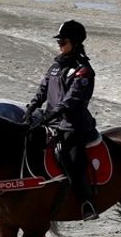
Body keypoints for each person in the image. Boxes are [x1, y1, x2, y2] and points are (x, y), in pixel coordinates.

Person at [23, 19, 100, 220]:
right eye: (59, 41)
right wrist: (32, 107)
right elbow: (43, 89)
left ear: (74, 42)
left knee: (71, 157)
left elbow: (70, 101)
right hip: (52, 121)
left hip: (73, 126)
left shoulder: (83, 70)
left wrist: (50, 115)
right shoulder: (55, 66)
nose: (59, 44)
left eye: (63, 41)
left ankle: (86, 202)